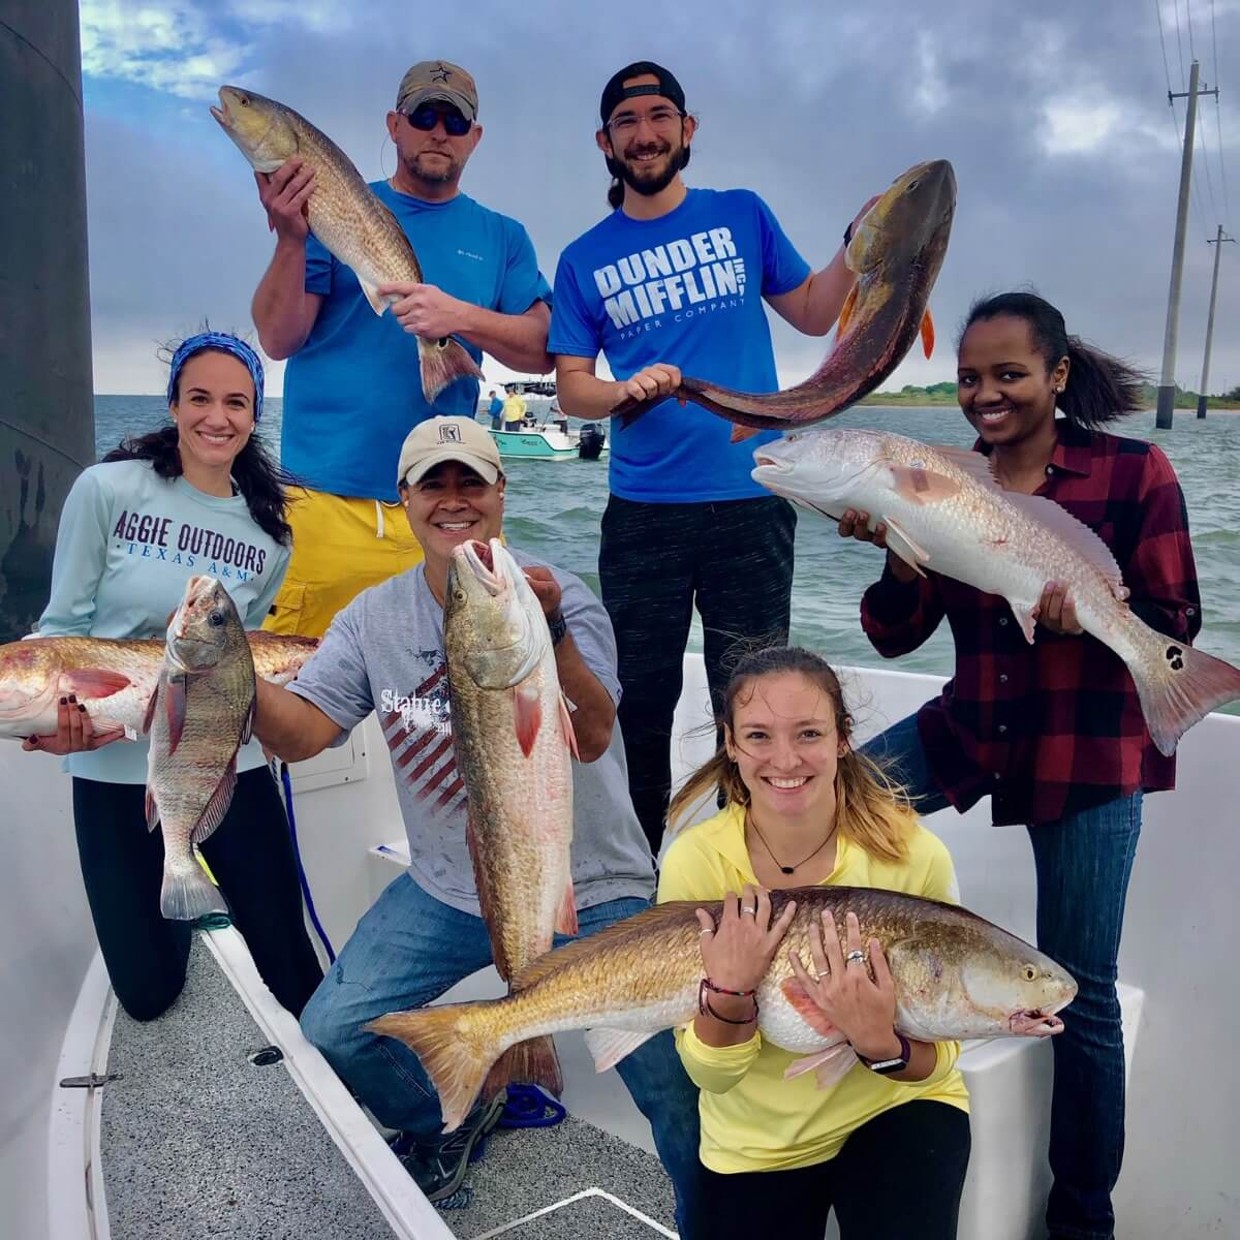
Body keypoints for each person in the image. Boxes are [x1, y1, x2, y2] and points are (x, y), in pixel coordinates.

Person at [249, 416, 704, 1220]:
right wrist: (229, 681)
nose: (453, 500)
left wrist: (552, 629)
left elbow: (594, 734)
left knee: (668, 1079)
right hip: (451, 886)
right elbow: (305, 735)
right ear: (405, 498)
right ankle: (455, 1112)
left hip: (596, 883)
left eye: (471, 482)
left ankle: (720, 1215)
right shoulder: (371, 619)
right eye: (434, 483)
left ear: (501, 492)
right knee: (333, 1030)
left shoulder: (560, 596)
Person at [840, 291, 1199, 1240]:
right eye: (969, 378)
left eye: (1008, 375)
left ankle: (1083, 1220)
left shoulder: (1135, 473)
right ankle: (846, 1081)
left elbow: (1179, 622)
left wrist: (1093, 620)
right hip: (973, 726)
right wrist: (899, 554)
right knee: (834, 811)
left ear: (1058, 376)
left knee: (1080, 991)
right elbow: (890, 633)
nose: (985, 396)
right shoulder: (948, 477)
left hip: (1087, 751)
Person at [549, 60, 877, 857]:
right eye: (628, 122)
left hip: (752, 502)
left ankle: (753, 861)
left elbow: (813, 310)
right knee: (643, 701)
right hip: (644, 515)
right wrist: (626, 391)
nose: (645, 134)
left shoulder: (742, 216)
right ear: (605, 141)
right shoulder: (583, 257)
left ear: (687, 130)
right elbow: (570, 392)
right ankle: (639, 876)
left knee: (757, 701)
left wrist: (862, 240)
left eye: (660, 116)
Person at [22, 332, 323, 1022]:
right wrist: (54, 725)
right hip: (114, 774)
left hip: (225, 760)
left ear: (254, 415)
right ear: (174, 405)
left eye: (236, 402)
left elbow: (244, 649)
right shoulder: (106, 489)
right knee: (148, 996)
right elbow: (61, 626)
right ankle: (183, 906)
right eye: (201, 398)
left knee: (291, 968)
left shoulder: (269, 533)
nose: (218, 418)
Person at [657, 646, 970, 1240]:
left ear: (843, 738)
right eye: (758, 735)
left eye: (808, 733)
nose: (785, 759)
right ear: (729, 743)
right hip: (757, 1139)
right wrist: (730, 994)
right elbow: (712, 1075)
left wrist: (881, 1044)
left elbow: (944, 1056)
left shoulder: (911, 854)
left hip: (893, 1107)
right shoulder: (696, 864)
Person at [250, 59, 552, 638]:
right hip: (323, 502)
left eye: (455, 120)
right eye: (423, 115)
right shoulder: (331, 204)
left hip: (450, 510)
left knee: (465, 703)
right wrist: (290, 237)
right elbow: (277, 338)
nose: (438, 131)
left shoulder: (503, 236)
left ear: (476, 137)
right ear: (395, 124)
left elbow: (542, 349)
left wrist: (456, 316)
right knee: (310, 708)